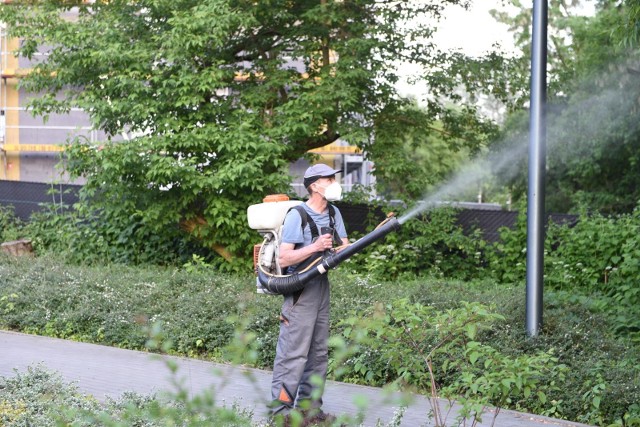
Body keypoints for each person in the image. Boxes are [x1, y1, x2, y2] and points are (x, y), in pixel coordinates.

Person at [270, 163, 349, 423]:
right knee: (293, 354)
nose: (334, 183)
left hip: (322, 289)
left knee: (317, 354)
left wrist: (338, 252)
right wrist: (315, 247)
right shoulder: (298, 215)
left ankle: (310, 410)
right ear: (315, 185)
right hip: (301, 291)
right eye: (329, 179)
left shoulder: (334, 212)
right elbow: (285, 256)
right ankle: (280, 414)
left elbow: (344, 247)